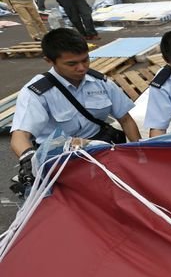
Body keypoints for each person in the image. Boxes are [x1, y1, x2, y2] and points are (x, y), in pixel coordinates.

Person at [10, 29, 140, 192]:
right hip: (60, 157)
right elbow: (20, 136)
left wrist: (139, 153)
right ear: (49, 60)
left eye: (85, 60)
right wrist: (27, 158)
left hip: (100, 149)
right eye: (72, 64)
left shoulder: (100, 82)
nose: (81, 68)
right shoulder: (37, 92)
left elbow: (126, 119)